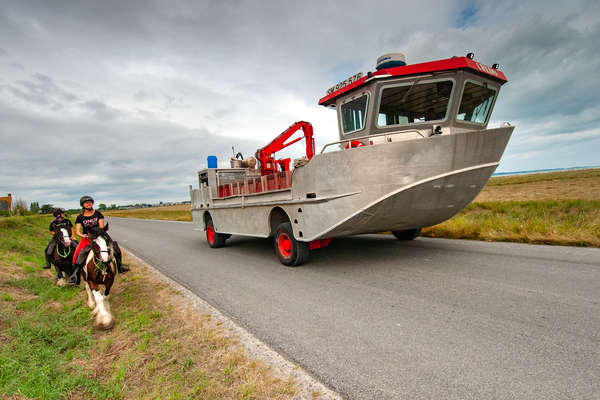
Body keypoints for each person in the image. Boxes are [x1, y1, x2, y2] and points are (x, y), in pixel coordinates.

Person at [70, 195, 128, 284]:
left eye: (90, 202)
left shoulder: (97, 213)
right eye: (86, 202)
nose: (89, 204)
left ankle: (120, 266)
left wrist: (99, 234)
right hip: (87, 239)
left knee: (115, 247)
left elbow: (101, 226)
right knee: (77, 254)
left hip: (99, 236)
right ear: (83, 205)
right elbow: (77, 231)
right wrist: (84, 235)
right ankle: (75, 275)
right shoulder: (80, 217)